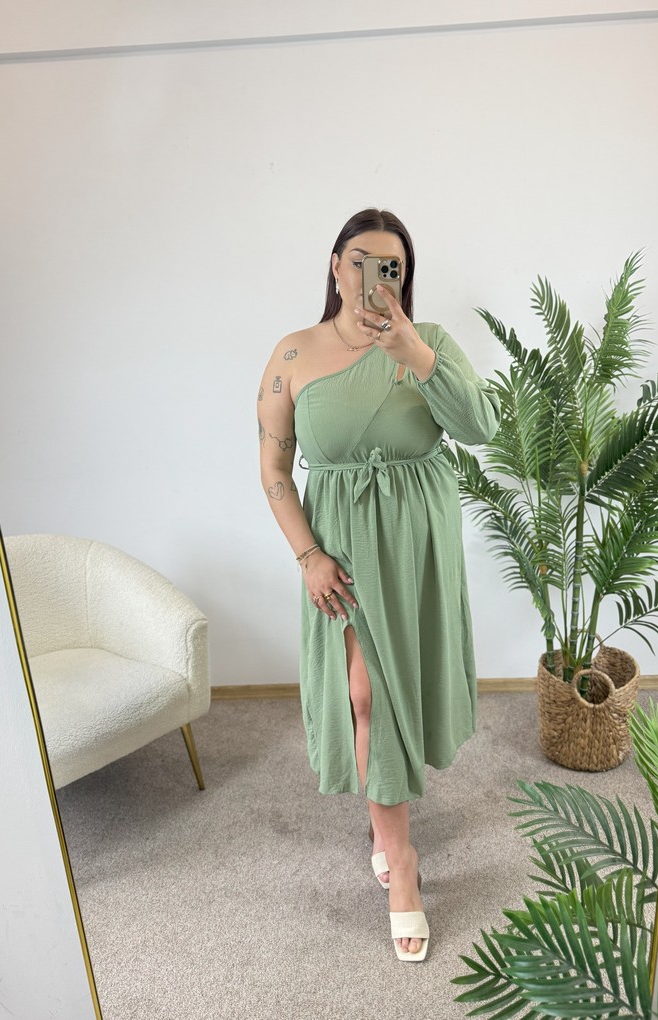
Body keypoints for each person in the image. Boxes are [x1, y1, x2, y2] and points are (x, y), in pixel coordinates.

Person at [258, 208, 499, 961]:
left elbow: (482, 428)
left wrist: (414, 353)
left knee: (398, 691)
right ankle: (402, 862)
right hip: (338, 548)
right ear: (335, 266)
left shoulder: (432, 345)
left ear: (404, 276)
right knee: (363, 694)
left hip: (415, 546)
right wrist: (308, 556)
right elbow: (273, 468)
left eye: (389, 265)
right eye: (359, 260)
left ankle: (385, 823)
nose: (372, 276)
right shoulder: (292, 353)